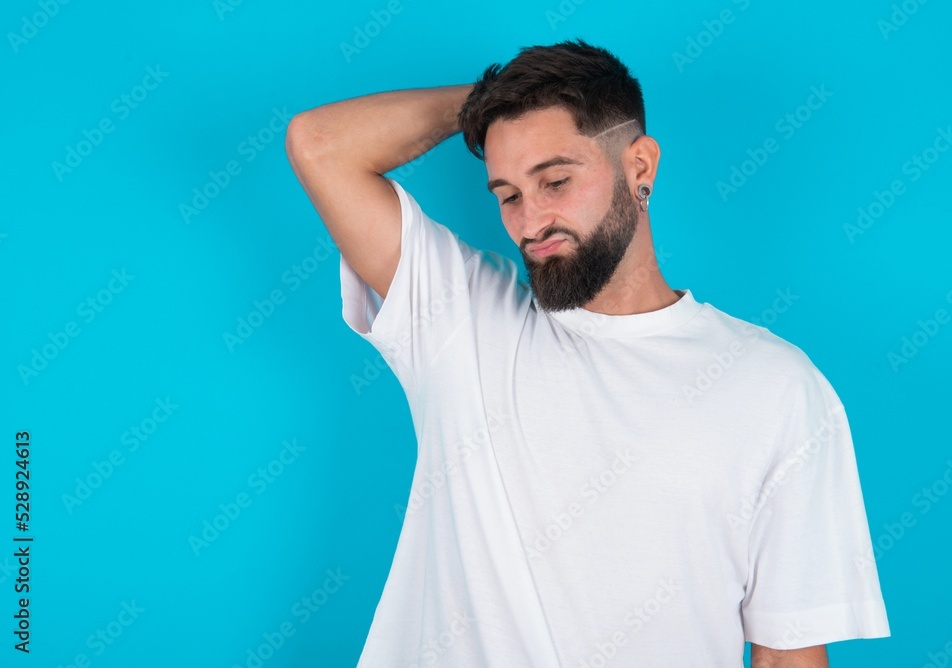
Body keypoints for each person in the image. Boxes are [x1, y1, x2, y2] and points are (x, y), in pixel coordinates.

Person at [285, 38, 889, 667]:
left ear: (640, 168)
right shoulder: (460, 322)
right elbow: (320, 144)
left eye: (555, 181)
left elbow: (788, 655)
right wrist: (489, 101)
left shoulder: (775, 387)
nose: (531, 222)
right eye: (508, 194)